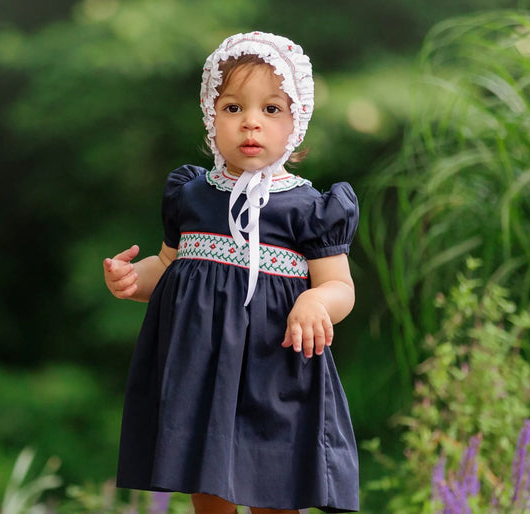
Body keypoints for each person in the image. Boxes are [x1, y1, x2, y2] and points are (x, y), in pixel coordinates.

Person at [103, 31, 359, 514]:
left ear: (296, 121)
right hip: (203, 370)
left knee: (276, 488)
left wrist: (314, 301)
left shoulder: (309, 207)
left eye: (271, 109)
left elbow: (340, 287)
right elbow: (170, 268)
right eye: (233, 108)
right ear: (210, 116)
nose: (251, 124)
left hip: (276, 368)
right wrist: (132, 279)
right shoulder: (193, 195)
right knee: (209, 486)